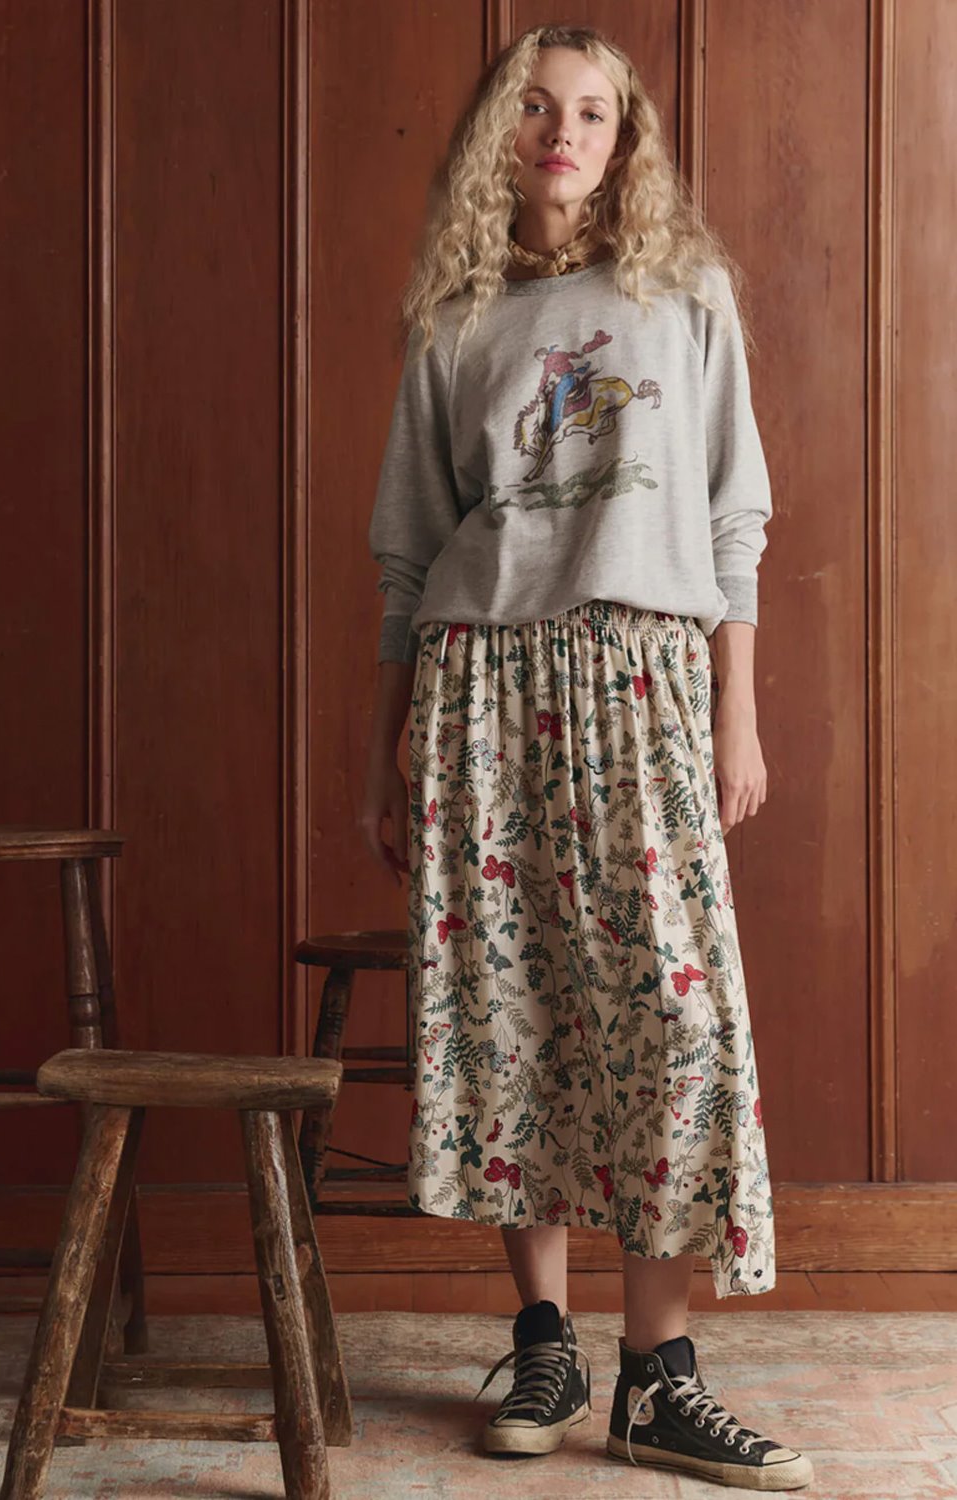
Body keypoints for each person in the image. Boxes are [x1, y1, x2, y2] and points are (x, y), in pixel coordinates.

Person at [360, 21, 813, 1492]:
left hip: (644, 678)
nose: (564, 132)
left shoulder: (683, 292)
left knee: (673, 1021)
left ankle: (658, 1375)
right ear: (500, 131)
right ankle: (545, 1341)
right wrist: (384, 751)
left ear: (625, 143)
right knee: (515, 1016)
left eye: (595, 113)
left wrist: (736, 711)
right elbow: (410, 551)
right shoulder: (455, 319)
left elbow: (735, 511)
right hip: (481, 689)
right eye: (538, 107)